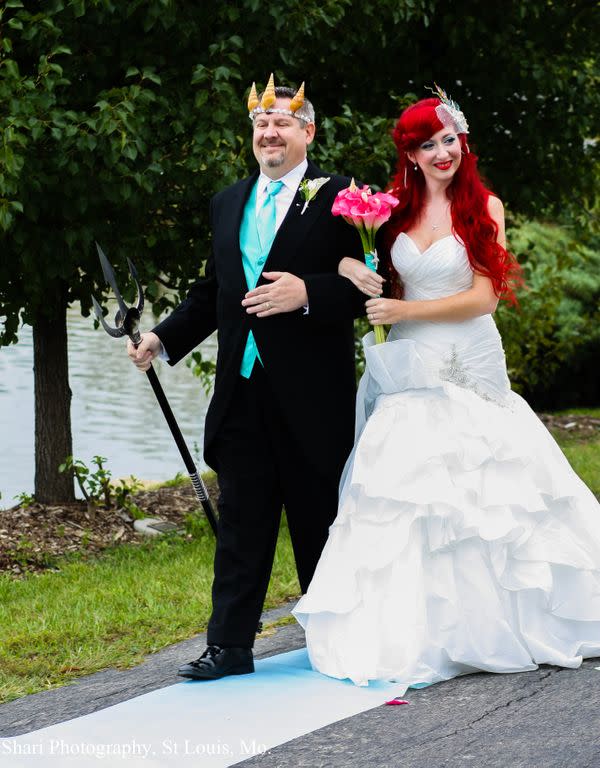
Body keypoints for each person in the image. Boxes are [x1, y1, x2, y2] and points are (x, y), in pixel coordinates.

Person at [293, 90, 600, 689]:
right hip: (409, 365)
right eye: (426, 144)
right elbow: (369, 274)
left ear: (463, 143)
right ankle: (422, 628)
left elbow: (485, 296)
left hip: (467, 355)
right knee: (408, 489)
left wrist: (406, 313)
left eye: (448, 140)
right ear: (408, 155)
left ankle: (511, 616)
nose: (441, 153)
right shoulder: (391, 215)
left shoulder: (485, 205)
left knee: (488, 480)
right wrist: (351, 270)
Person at [128, 75, 364, 679]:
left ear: (307, 131)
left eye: (282, 122)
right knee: (242, 521)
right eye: (261, 124)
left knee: (319, 519)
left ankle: (332, 640)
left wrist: (307, 292)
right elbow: (215, 292)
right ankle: (229, 646)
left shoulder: (342, 198)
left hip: (314, 393)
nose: (269, 132)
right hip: (242, 387)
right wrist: (163, 336)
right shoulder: (228, 201)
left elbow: (370, 287)